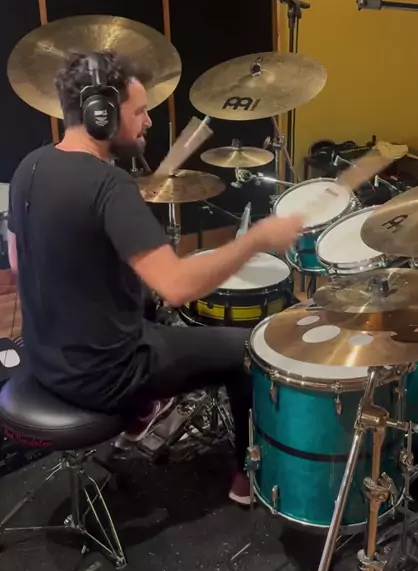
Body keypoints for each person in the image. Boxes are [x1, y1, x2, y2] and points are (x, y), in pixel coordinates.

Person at [7, 51, 303, 505]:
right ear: (101, 113)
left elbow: (17, 261)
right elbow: (178, 287)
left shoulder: (29, 166)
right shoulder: (108, 185)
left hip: (46, 358)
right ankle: (247, 479)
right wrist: (257, 238)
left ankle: (141, 413)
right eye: (140, 111)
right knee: (247, 350)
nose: (147, 122)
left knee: (140, 300)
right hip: (105, 375)